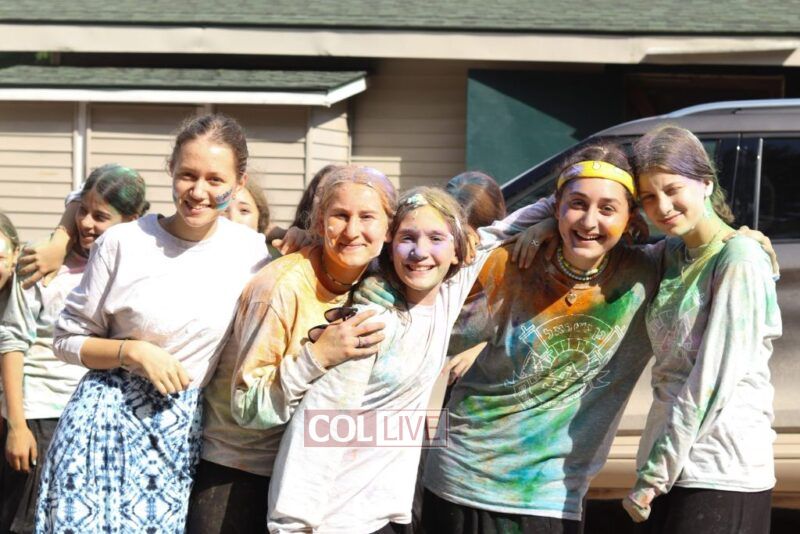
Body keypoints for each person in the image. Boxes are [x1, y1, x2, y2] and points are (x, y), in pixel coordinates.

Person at [34, 114, 269, 533]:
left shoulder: (252, 253)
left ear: (239, 183)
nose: (198, 191)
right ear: (171, 170)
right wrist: (134, 352)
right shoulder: (122, 242)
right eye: (187, 175)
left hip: (177, 435)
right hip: (99, 427)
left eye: (215, 179)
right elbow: (65, 339)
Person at [422, 143, 663, 533]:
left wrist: (748, 243)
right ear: (556, 207)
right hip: (461, 477)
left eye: (607, 209)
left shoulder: (648, 276)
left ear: (631, 218)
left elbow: (708, 249)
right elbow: (429, 334)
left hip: (550, 494)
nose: (589, 221)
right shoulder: (514, 264)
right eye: (577, 204)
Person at [187, 164, 394, 534]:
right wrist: (317, 356)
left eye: (367, 217)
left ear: (389, 228)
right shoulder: (280, 287)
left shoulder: (378, 280)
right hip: (241, 473)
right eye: (340, 216)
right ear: (319, 223)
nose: (352, 231)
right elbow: (248, 408)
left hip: (312, 477)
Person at [623, 126, 780, 534]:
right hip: (672, 467)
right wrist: (542, 226)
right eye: (648, 197)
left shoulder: (739, 259)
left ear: (706, 182)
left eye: (673, 189)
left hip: (720, 470)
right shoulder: (672, 253)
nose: (662, 206)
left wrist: (655, 476)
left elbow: (713, 378)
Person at [0, 165, 148, 534]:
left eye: (100, 217)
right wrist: (17, 424)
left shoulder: (135, 270)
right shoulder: (42, 266)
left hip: (100, 423)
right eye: (82, 211)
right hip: (42, 416)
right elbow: (12, 340)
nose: (86, 223)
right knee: (25, 522)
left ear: (130, 221)